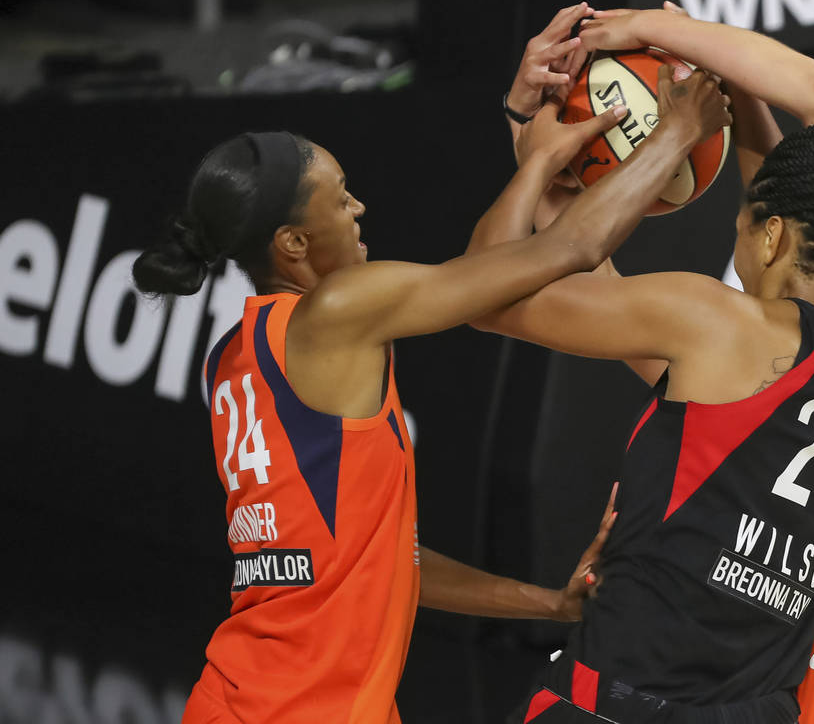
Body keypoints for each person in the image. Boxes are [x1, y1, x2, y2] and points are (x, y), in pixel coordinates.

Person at [132, 53, 731, 723]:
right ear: (293, 243)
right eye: (339, 197)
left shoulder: (235, 356)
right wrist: (677, 134)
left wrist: (547, 604)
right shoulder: (335, 312)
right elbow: (567, 252)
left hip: (248, 699)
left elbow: (379, 554)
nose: (358, 206)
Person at [471, 4, 814, 723]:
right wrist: (722, 73)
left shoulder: (732, 342)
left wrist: (558, 141)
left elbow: (506, 291)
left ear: (775, 237)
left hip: (749, 656)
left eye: (747, 224)